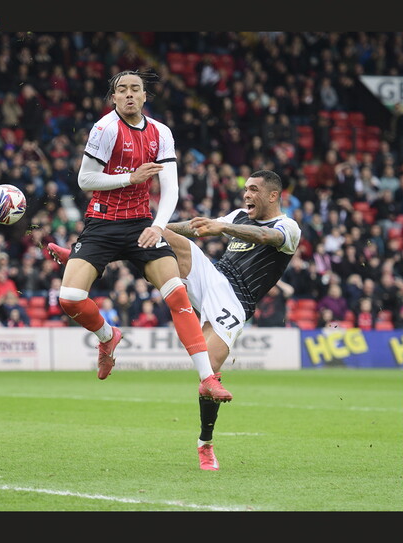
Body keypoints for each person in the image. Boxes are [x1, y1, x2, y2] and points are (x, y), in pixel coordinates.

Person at [45, 70, 230, 403]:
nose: (129, 94)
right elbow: (85, 180)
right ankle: (107, 336)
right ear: (113, 97)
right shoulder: (104, 129)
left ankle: (208, 378)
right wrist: (130, 178)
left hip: (141, 224)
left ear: (145, 97)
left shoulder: (161, 133)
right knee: (69, 299)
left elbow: (170, 188)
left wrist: (158, 226)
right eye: (122, 90)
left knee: (176, 293)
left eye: (136, 89)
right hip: (101, 223)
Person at [158, 169, 301, 471]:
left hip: (237, 301)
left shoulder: (287, 226)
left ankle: (205, 444)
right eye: (246, 189)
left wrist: (222, 228)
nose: (246, 194)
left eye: (253, 189)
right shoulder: (237, 215)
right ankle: (96, 257)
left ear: (273, 195)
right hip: (213, 275)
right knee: (160, 234)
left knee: (208, 371)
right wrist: (155, 225)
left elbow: (265, 236)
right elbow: (196, 227)